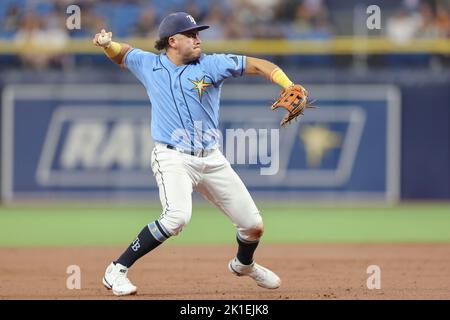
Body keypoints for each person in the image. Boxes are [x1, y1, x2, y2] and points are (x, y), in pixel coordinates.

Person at [93, 12, 306, 296]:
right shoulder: (149, 65)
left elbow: (258, 64)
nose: (198, 39)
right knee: (176, 218)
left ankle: (243, 265)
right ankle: (116, 269)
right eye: (191, 35)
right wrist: (108, 44)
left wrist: (287, 84)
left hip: (211, 158)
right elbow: (124, 55)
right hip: (172, 156)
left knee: (253, 226)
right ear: (173, 41)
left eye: (198, 34)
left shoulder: (212, 64)